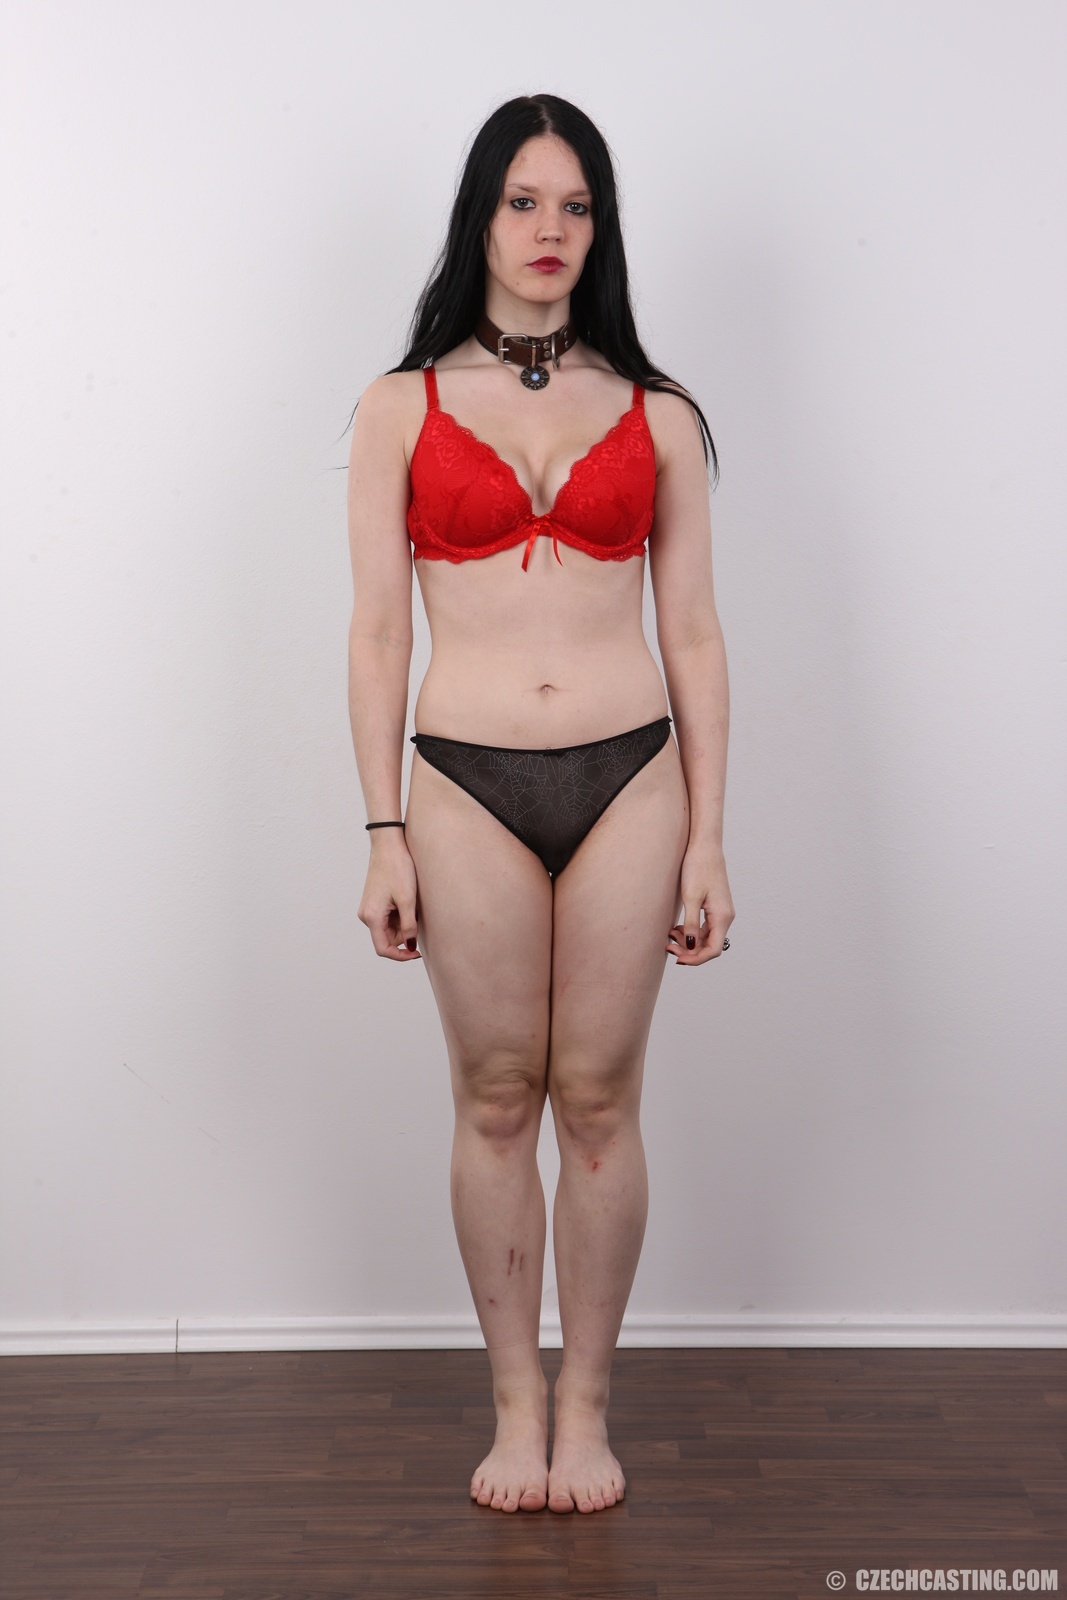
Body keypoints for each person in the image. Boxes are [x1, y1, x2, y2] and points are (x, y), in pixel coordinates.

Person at [345, 93, 734, 1516]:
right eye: (523, 201)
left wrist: (709, 836)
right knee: (499, 1095)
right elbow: (376, 634)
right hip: (463, 779)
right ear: (482, 217)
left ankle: (587, 1404)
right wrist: (382, 829)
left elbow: (694, 635)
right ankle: (515, 1400)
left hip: (632, 773)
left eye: (576, 205)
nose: (550, 229)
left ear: (600, 225)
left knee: (603, 1098)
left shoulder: (658, 412)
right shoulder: (399, 407)